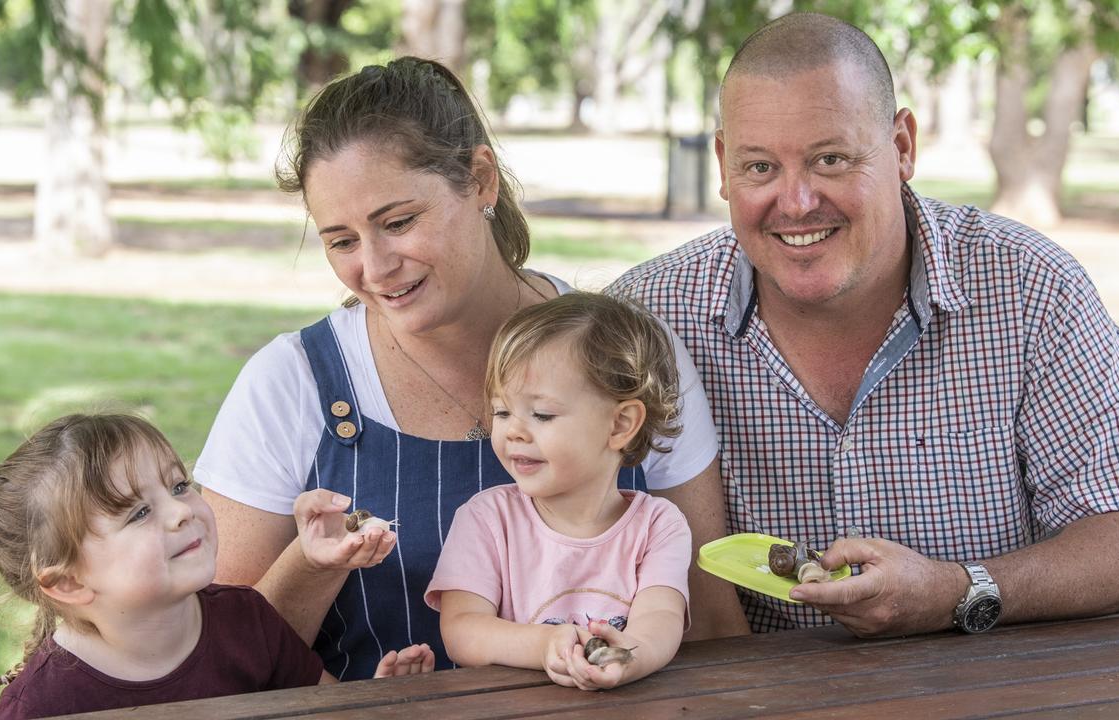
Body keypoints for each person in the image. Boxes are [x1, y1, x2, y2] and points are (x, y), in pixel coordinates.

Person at [609, 12, 1119, 637]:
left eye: (830, 159)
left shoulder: (1029, 288)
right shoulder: (644, 319)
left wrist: (957, 591)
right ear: (722, 163)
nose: (797, 202)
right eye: (760, 168)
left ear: (903, 146)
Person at [194, 57, 747, 681]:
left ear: (480, 179)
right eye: (341, 241)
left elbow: (711, 620)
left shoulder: (632, 356)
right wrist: (319, 560)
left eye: (398, 222)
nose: (374, 269)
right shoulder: (292, 384)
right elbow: (219, 657)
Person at [0, 414, 433, 720]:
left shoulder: (247, 620)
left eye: (178, 486)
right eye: (138, 512)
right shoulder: (43, 707)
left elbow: (324, 710)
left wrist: (373, 704)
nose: (182, 510)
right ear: (68, 581)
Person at [428, 293, 690, 691]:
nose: (513, 430)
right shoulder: (486, 518)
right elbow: (462, 630)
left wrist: (627, 658)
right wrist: (548, 644)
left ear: (620, 425)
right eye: (502, 412)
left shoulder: (658, 526)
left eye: (542, 414)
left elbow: (661, 619)